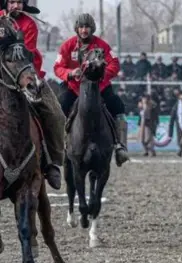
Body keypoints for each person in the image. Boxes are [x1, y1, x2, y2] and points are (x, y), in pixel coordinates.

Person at [0, 0, 66, 189]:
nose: (15, 6)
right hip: (0, 77)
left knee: (56, 114)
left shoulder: (29, 25)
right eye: (12, 1)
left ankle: (52, 162)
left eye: (19, 2)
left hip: (26, 75)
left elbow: (24, 55)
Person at [53, 13, 129, 167]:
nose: (84, 30)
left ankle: (120, 146)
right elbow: (58, 67)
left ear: (92, 28)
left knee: (117, 106)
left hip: (99, 87)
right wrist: (70, 73)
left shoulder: (102, 46)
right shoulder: (67, 46)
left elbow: (114, 64)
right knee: (59, 107)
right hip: (74, 88)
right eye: (81, 27)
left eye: (87, 27)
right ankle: (58, 147)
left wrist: (102, 75)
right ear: (77, 28)